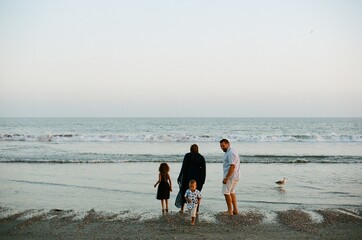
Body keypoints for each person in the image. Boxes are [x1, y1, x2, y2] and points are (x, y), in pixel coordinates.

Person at [176, 144, 206, 213]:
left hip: (187, 177)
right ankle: (197, 209)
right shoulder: (201, 157)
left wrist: (179, 176)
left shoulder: (187, 156)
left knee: (184, 192)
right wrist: (203, 180)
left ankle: (182, 209)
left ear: (191, 149)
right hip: (198, 178)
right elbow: (203, 170)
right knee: (197, 194)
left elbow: (183, 167)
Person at [220, 139, 240, 215]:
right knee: (231, 192)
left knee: (226, 192)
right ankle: (235, 210)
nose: (222, 147)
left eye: (223, 146)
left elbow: (232, 166)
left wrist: (226, 178)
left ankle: (230, 210)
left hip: (231, 176)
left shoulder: (230, 153)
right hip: (235, 176)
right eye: (221, 146)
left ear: (228, 144)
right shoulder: (231, 150)